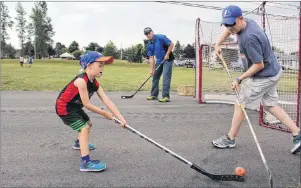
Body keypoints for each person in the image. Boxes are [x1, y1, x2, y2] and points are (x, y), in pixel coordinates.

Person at [212, 5, 301, 154]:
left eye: (231, 24)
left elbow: (258, 65)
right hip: (273, 71)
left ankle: (230, 138)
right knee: (270, 105)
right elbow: (228, 30)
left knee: (239, 102)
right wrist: (217, 44)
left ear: (240, 19)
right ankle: (298, 134)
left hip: (264, 75)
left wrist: (239, 79)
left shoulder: (250, 38)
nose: (229, 28)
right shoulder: (243, 23)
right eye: (226, 24)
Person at [55, 51, 127, 171]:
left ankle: (79, 143)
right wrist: (104, 113)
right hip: (64, 108)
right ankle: (85, 163)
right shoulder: (81, 81)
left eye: (103, 65)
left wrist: (121, 118)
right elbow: (87, 104)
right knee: (84, 128)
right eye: (100, 65)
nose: (102, 68)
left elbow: (106, 100)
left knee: (88, 123)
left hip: (75, 107)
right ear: (89, 66)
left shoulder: (94, 82)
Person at [144, 27, 175, 102]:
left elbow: (171, 44)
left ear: (152, 32)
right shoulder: (149, 44)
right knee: (155, 76)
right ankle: (154, 95)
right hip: (159, 60)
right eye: (146, 34)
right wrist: (151, 70)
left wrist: (167, 54)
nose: (148, 35)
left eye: (149, 33)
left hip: (167, 59)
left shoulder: (160, 37)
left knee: (166, 77)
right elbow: (151, 57)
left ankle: (166, 96)